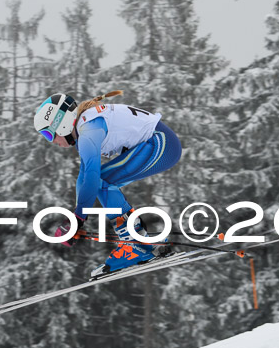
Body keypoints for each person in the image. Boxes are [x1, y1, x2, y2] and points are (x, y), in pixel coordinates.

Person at [33, 90, 182, 275]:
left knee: (102, 182)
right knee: (102, 183)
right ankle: (137, 241)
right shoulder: (86, 126)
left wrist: (78, 219)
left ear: (60, 124)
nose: (52, 141)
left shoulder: (88, 130)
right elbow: (84, 178)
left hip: (161, 144)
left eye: (49, 135)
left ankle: (135, 244)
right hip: (161, 143)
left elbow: (92, 178)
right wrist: (76, 217)